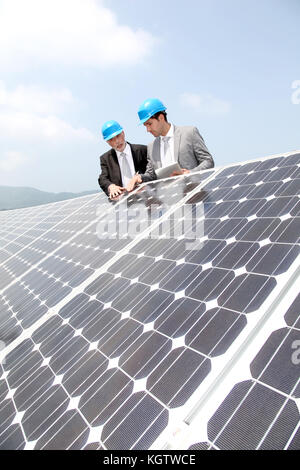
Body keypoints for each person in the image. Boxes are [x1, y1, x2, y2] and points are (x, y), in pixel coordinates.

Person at [126, 98, 214, 191]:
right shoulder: (151, 147)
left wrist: (190, 173)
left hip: (194, 196)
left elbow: (208, 161)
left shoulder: (189, 133)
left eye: (149, 124)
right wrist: (140, 177)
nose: (148, 130)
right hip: (168, 201)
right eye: (145, 126)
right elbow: (151, 175)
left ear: (161, 118)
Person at [98, 120, 149, 199]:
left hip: (147, 197)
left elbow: (152, 172)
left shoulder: (143, 150)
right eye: (111, 139)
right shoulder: (106, 159)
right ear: (107, 142)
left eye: (118, 136)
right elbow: (102, 178)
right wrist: (110, 186)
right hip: (123, 202)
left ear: (123, 133)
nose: (117, 141)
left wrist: (142, 179)